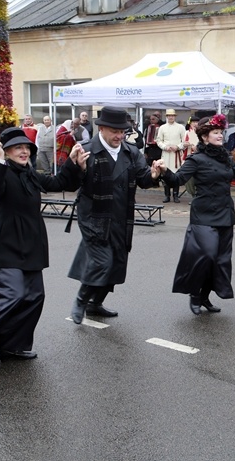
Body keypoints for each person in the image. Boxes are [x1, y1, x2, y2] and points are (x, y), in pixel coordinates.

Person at [0, 128, 87, 375]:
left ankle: (13, 347)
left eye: (27, 148)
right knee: (11, 293)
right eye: (17, 148)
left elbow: (58, 183)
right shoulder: (0, 171)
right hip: (4, 246)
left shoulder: (30, 174)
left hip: (31, 246)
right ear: (6, 151)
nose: (24, 151)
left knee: (34, 297)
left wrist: (74, 164)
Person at [68, 106, 165, 324]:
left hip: (121, 214)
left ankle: (95, 303)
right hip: (94, 216)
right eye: (115, 131)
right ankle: (81, 300)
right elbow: (69, 180)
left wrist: (153, 174)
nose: (119, 136)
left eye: (123, 131)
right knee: (102, 261)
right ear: (101, 128)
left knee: (117, 263)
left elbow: (143, 178)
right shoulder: (85, 149)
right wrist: (78, 169)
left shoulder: (130, 151)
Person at [162, 114, 235, 315]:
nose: (220, 136)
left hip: (225, 215)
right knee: (206, 256)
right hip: (203, 215)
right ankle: (194, 293)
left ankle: (205, 296)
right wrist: (165, 171)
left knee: (220, 260)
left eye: (220, 132)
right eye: (215, 133)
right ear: (204, 137)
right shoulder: (196, 159)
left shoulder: (226, 158)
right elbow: (178, 179)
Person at [156, 109, 186, 203]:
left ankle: (176, 195)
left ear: (175, 116)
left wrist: (177, 147)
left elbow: (185, 141)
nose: (171, 117)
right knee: (165, 174)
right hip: (166, 154)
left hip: (176, 155)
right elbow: (158, 140)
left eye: (172, 115)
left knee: (176, 174)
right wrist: (165, 147)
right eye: (169, 115)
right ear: (167, 116)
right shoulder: (162, 127)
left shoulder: (180, 127)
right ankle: (167, 195)